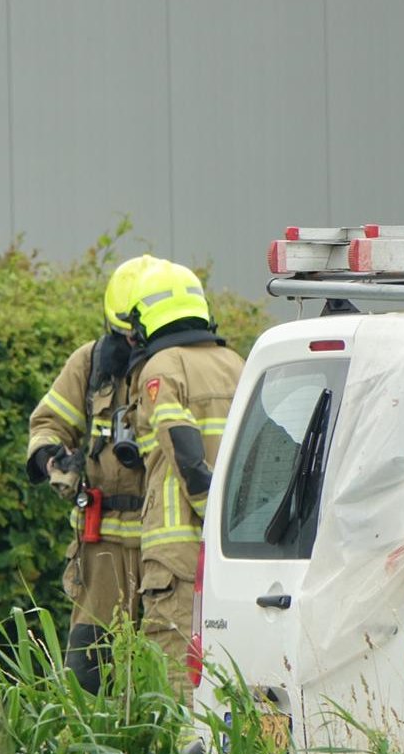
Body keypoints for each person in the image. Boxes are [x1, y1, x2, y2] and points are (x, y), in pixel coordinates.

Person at [26, 255, 158, 695]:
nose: (134, 339)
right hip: (101, 550)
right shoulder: (92, 363)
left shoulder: (174, 367)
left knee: (162, 670)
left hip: (164, 542)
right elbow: (48, 421)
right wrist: (53, 459)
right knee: (88, 674)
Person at [118, 259, 244, 703]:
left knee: (177, 685)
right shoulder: (235, 363)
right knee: (232, 675)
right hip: (240, 553)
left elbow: (181, 443)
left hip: (178, 557)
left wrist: (211, 512)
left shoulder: (162, 367)